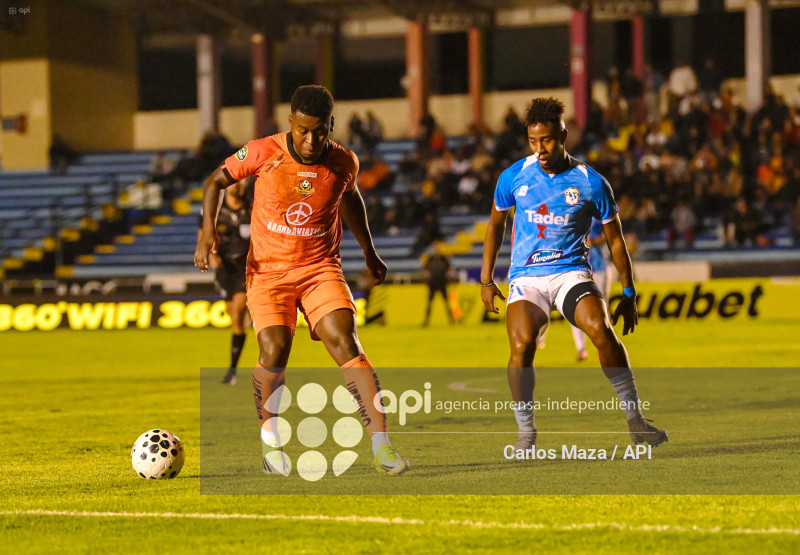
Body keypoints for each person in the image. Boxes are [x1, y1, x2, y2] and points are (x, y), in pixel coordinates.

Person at [195, 85, 409, 476]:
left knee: (345, 340)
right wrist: (207, 231)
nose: (311, 140)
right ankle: (271, 446)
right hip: (268, 272)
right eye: (303, 131)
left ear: (331, 125)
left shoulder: (344, 161)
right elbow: (214, 183)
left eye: (320, 131)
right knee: (274, 348)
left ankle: (382, 448)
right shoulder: (262, 151)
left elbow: (350, 198)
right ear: (290, 122)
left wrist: (369, 250)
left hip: (319, 268)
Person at [480, 97, 668, 453]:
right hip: (527, 278)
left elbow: (616, 241)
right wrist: (486, 280)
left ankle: (635, 420)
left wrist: (629, 293)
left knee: (601, 330)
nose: (540, 149)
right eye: (533, 141)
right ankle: (526, 431)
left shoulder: (591, 183)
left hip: (571, 273)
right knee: (521, 345)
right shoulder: (513, 177)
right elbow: (494, 226)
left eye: (547, 140)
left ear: (563, 136)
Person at [197, 178, 253, 385]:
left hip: (246, 268)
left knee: (238, 311)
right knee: (235, 320)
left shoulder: (253, 208)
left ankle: (232, 371)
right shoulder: (215, 211)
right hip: (224, 269)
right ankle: (233, 369)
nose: (236, 185)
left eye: (240, 182)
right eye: (233, 182)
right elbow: (203, 236)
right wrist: (211, 257)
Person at [422, 242, 456, 327]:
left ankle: (451, 320)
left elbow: (450, 268)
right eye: (436, 247)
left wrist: (451, 275)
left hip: (442, 282)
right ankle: (426, 321)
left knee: (446, 302)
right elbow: (425, 269)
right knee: (430, 303)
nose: (437, 248)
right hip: (433, 282)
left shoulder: (443, 258)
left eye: (438, 247)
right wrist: (426, 276)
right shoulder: (430, 258)